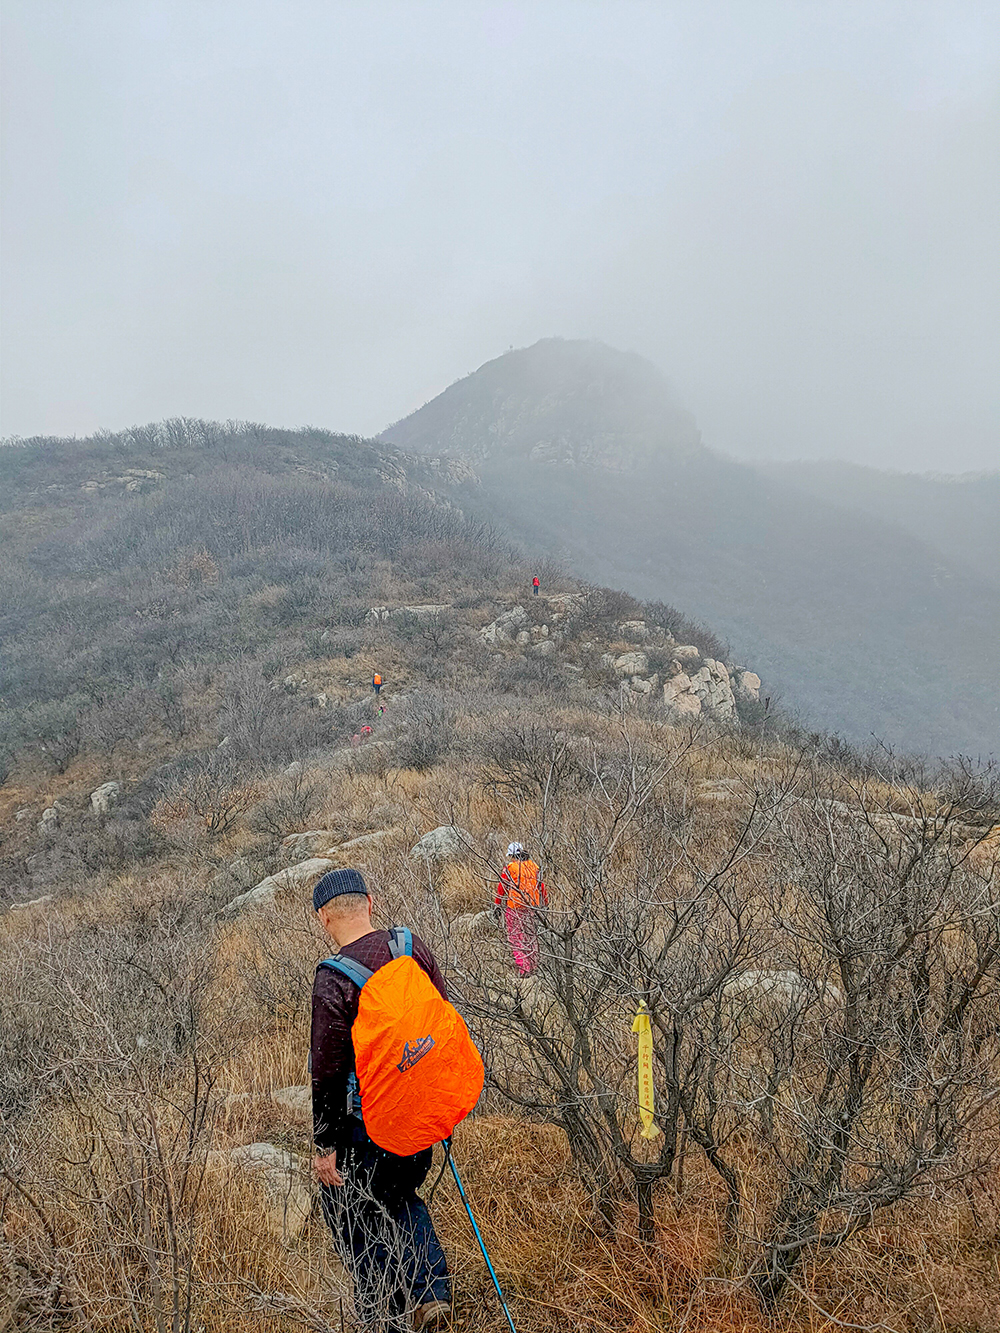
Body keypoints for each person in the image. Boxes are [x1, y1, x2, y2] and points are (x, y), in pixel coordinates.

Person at [311, 868, 452, 1331]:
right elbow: (441, 1023)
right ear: (369, 902)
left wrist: (325, 1145)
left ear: (323, 919)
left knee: (354, 1213)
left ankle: (383, 1315)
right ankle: (431, 1292)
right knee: (401, 1195)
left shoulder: (333, 978)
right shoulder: (409, 947)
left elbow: (327, 1072)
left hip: (365, 1127)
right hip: (417, 1114)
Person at [494, 843, 546, 976]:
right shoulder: (534, 867)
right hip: (531, 907)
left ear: (512, 856)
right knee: (530, 936)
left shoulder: (511, 868)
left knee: (515, 938)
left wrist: (497, 905)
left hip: (515, 907)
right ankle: (533, 966)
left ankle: (524, 968)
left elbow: (502, 888)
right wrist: (545, 902)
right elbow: (541, 886)